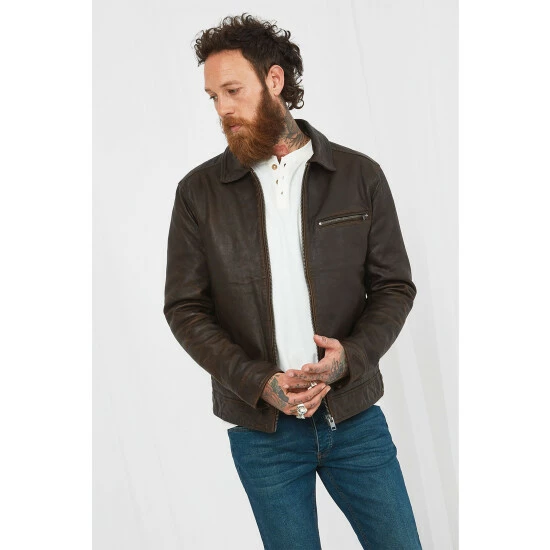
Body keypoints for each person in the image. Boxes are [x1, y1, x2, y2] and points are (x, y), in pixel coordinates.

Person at [163, 13, 422, 550]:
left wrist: (348, 359)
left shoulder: (358, 176)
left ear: (274, 80)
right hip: (264, 435)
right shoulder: (198, 193)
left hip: (353, 418)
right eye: (213, 97)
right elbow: (185, 308)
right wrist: (259, 382)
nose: (222, 108)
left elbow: (394, 287)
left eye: (233, 90)